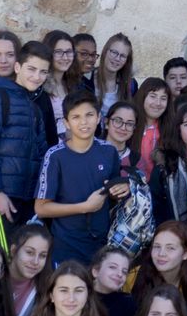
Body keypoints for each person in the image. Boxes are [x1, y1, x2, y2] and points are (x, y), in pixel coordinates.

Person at [0, 41, 52, 253]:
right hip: (1, 195)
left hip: (25, 198)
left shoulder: (34, 106)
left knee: (20, 256)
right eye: (31, 69)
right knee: (6, 256)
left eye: (43, 72)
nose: (36, 76)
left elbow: (41, 155)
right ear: (17, 68)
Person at [34, 90, 134, 267]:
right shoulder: (55, 156)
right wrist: (84, 207)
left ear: (98, 118)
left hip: (101, 245)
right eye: (76, 117)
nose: (83, 122)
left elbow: (113, 192)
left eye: (89, 115)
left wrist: (121, 190)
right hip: (66, 246)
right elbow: (41, 208)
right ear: (66, 122)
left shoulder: (108, 151)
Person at [129, 221, 187, 316]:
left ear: (186, 253)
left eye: (170, 248)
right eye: (157, 247)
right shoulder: (134, 276)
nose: (161, 253)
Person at [150, 100, 187, 226]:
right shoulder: (164, 165)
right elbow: (156, 207)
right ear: (178, 129)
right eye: (186, 125)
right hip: (172, 232)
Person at [7, 224, 53, 316]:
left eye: (42, 256)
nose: (35, 262)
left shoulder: (45, 287)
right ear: (14, 250)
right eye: (29, 252)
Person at [90, 244, 139, 316]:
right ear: (96, 271)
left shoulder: (128, 305)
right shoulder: (80, 296)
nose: (120, 274)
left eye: (124, 271)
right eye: (113, 267)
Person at [131, 78, 171, 169]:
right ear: (142, 97)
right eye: (153, 96)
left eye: (163, 98)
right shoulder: (129, 124)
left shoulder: (170, 129)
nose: (158, 103)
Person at [100, 99, 142, 180]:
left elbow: (141, 188)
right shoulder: (91, 151)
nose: (123, 128)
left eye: (129, 124)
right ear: (106, 122)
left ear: (134, 128)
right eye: (118, 121)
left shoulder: (137, 160)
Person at [96, 33, 136, 111]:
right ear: (105, 51)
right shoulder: (86, 81)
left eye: (123, 56)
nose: (117, 58)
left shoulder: (130, 85)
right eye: (114, 52)